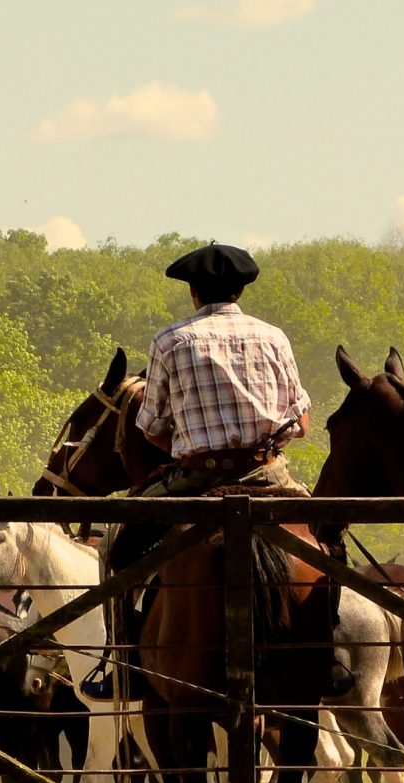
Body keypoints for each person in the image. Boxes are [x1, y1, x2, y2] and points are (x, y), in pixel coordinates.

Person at [80, 243, 312, 700]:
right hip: (268, 475)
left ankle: (123, 661)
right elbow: (301, 423)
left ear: (193, 292)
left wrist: (188, 448)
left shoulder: (171, 340)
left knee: (114, 549)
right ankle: (334, 650)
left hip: (198, 479)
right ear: (242, 288)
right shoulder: (274, 336)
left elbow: (149, 428)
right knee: (327, 539)